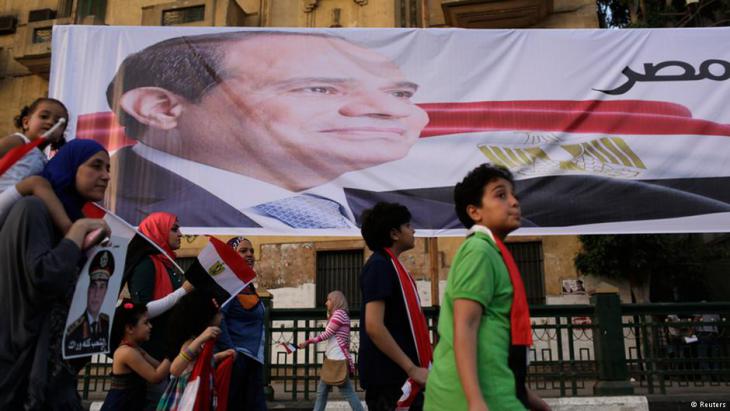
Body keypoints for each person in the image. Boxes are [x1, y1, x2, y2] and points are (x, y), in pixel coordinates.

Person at [104, 31, 429, 228]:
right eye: (319, 89)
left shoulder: (434, 216)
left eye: (399, 94)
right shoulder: (104, 208)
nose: (391, 110)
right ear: (160, 109)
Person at [424, 163, 550, 411]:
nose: (514, 202)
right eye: (500, 195)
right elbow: (466, 324)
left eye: (513, 195)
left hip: (495, 389)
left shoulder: (492, 252)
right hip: (470, 397)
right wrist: (475, 401)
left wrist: (527, 397)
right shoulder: (479, 251)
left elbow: (495, 337)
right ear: (475, 212)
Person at [0, 139, 111, 410]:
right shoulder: (33, 209)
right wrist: (78, 230)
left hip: (51, 367)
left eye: (108, 168)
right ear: (70, 167)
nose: (106, 175)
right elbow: (46, 276)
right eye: (96, 166)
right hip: (20, 367)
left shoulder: (67, 219)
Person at [358, 202, 430, 411]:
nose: (413, 230)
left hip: (399, 376)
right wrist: (412, 368)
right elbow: (374, 325)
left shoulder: (392, 267)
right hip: (389, 380)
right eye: (408, 226)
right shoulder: (380, 266)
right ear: (394, 234)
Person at [126, 211, 193, 409]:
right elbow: (143, 311)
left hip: (167, 349)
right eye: (174, 229)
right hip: (150, 352)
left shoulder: (167, 263)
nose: (180, 234)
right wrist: (182, 291)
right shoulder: (145, 264)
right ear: (158, 231)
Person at [158, 290, 235, 411]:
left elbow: (200, 362)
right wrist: (199, 340)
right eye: (218, 313)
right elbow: (175, 369)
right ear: (205, 318)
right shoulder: (191, 343)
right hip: (186, 400)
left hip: (197, 395)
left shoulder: (201, 343)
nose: (221, 316)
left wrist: (221, 355)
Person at [216, 236, 267, 411]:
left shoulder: (246, 285)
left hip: (254, 358)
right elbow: (219, 317)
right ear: (231, 255)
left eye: (251, 251)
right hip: (239, 360)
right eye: (243, 251)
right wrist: (231, 351)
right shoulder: (229, 284)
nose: (250, 254)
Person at [298, 290, 363, 411]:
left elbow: (327, 334)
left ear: (336, 301)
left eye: (329, 300)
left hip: (337, 359)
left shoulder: (339, 314)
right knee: (323, 393)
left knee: (344, 393)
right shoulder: (340, 314)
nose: (326, 302)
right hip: (333, 359)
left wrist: (308, 341)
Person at [101, 300, 171, 411]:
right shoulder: (126, 352)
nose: (150, 326)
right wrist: (174, 352)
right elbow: (155, 377)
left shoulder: (135, 349)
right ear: (130, 328)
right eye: (146, 323)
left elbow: (158, 366)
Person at [65, 249, 115, 356]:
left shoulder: (106, 322)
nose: (96, 294)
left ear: (106, 291)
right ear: (87, 288)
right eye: (93, 286)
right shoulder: (73, 329)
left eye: (102, 287)